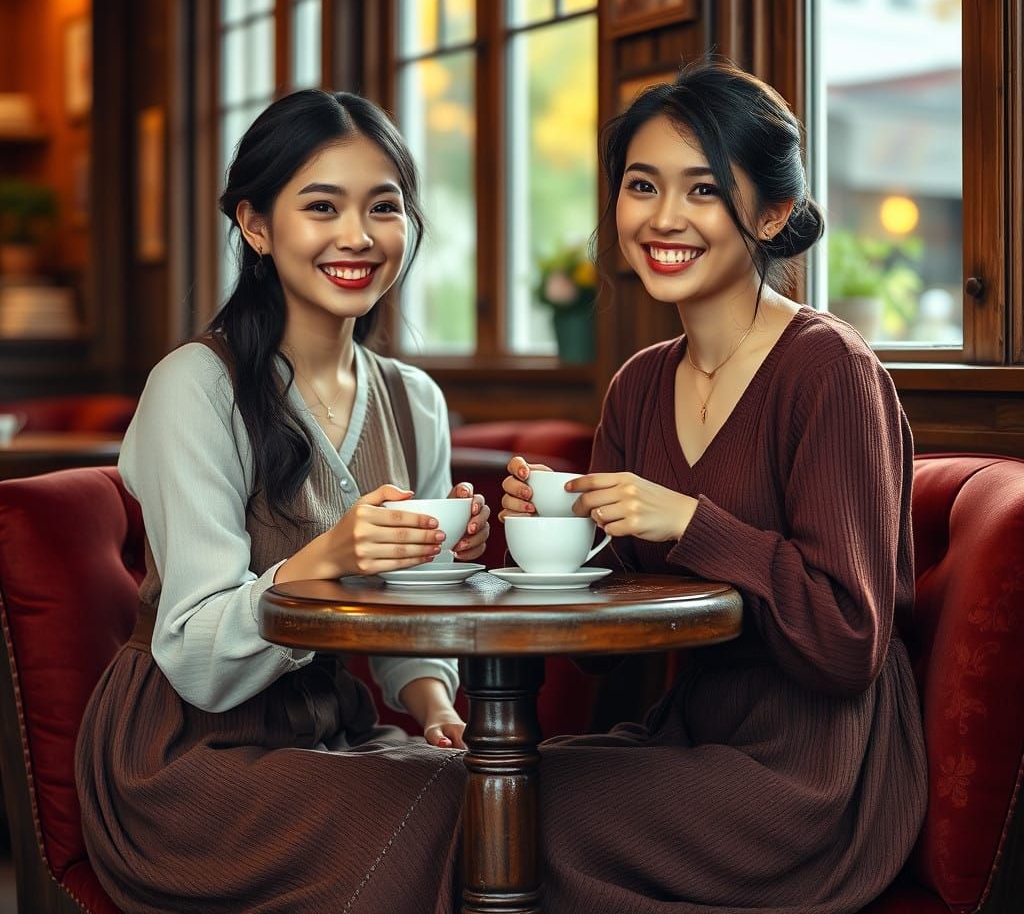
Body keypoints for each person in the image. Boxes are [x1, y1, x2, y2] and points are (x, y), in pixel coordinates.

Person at [500, 59, 927, 913]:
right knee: (480, 796)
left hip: (812, 776)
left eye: (702, 191)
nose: (663, 218)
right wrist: (558, 531)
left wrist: (693, 521)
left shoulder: (831, 372)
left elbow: (849, 643)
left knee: (508, 819)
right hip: (688, 737)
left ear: (772, 213)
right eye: (641, 185)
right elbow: (611, 633)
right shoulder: (638, 384)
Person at [75, 89, 490, 913]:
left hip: (332, 736)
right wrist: (328, 558)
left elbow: (405, 620)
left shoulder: (415, 402)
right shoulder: (196, 387)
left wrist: (434, 703)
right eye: (321, 206)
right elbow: (194, 655)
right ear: (256, 226)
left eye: (385, 207)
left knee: (503, 801)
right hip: (185, 761)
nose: (357, 237)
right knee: (449, 817)